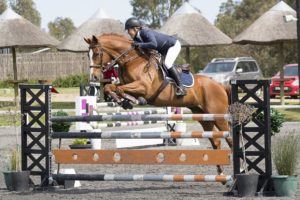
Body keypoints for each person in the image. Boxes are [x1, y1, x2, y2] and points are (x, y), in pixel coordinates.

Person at [125, 17, 186, 96]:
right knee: (159, 63)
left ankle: (181, 87)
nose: (128, 33)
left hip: (173, 45)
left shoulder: (145, 32)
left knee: (167, 63)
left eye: (129, 30)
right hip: (163, 49)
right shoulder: (137, 38)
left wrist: (139, 45)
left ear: (135, 29)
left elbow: (154, 44)